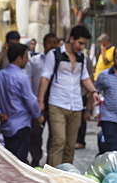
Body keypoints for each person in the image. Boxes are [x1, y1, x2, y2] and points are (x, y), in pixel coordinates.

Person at [38, 25, 97, 167]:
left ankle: (66, 174)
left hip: (76, 105)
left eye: (84, 44)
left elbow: (84, 78)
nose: (82, 47)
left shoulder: (82, 58)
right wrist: (40, 101)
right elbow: (45, 78)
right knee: (58, 140)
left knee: (70, 145)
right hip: (57, 103)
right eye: (80, 43)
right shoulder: (55, 55)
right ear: (71, 39)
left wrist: (94, 92)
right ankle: (53, 175)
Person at [0, 42, 41, 163]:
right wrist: (38, 115)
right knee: (19, 162)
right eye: (26, 57)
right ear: (19, 59)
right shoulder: (21, 77)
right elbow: (31, 100)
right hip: (21, 124)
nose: (28, 60)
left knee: (12, 160)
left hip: (6, 124)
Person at [27, 33, 58, 165]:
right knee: (36, 134)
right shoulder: (35, 61)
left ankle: (51, 161)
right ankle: (36, 158)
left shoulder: (60, 60)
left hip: (55, 101)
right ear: (44, 44)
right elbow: (28, 80)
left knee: (55, 134)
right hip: (37, 101)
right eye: (49, 42)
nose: (52, 45)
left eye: (54, 42)